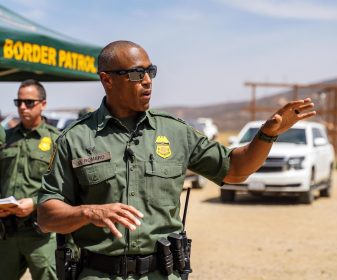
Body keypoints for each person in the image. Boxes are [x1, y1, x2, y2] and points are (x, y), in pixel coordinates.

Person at [37, 40, 316, 280]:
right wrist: (88, 212)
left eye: (151, 71)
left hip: (162, 272)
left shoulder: (175, 132)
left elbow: (235, 171)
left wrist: (266, 135)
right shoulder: (74, 138)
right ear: (107, 79)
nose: (147, 81)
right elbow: (47, 215)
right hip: (97, 273)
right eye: (136, 74)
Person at [0, 79, 59, 280]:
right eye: (19, 102)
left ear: (43, 104)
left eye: (29, 102)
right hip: (6, 233)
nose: (23, 107)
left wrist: (34, 203)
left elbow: (64, 187)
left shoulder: (55, 139)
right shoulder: (5, 138)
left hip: (39, 232)